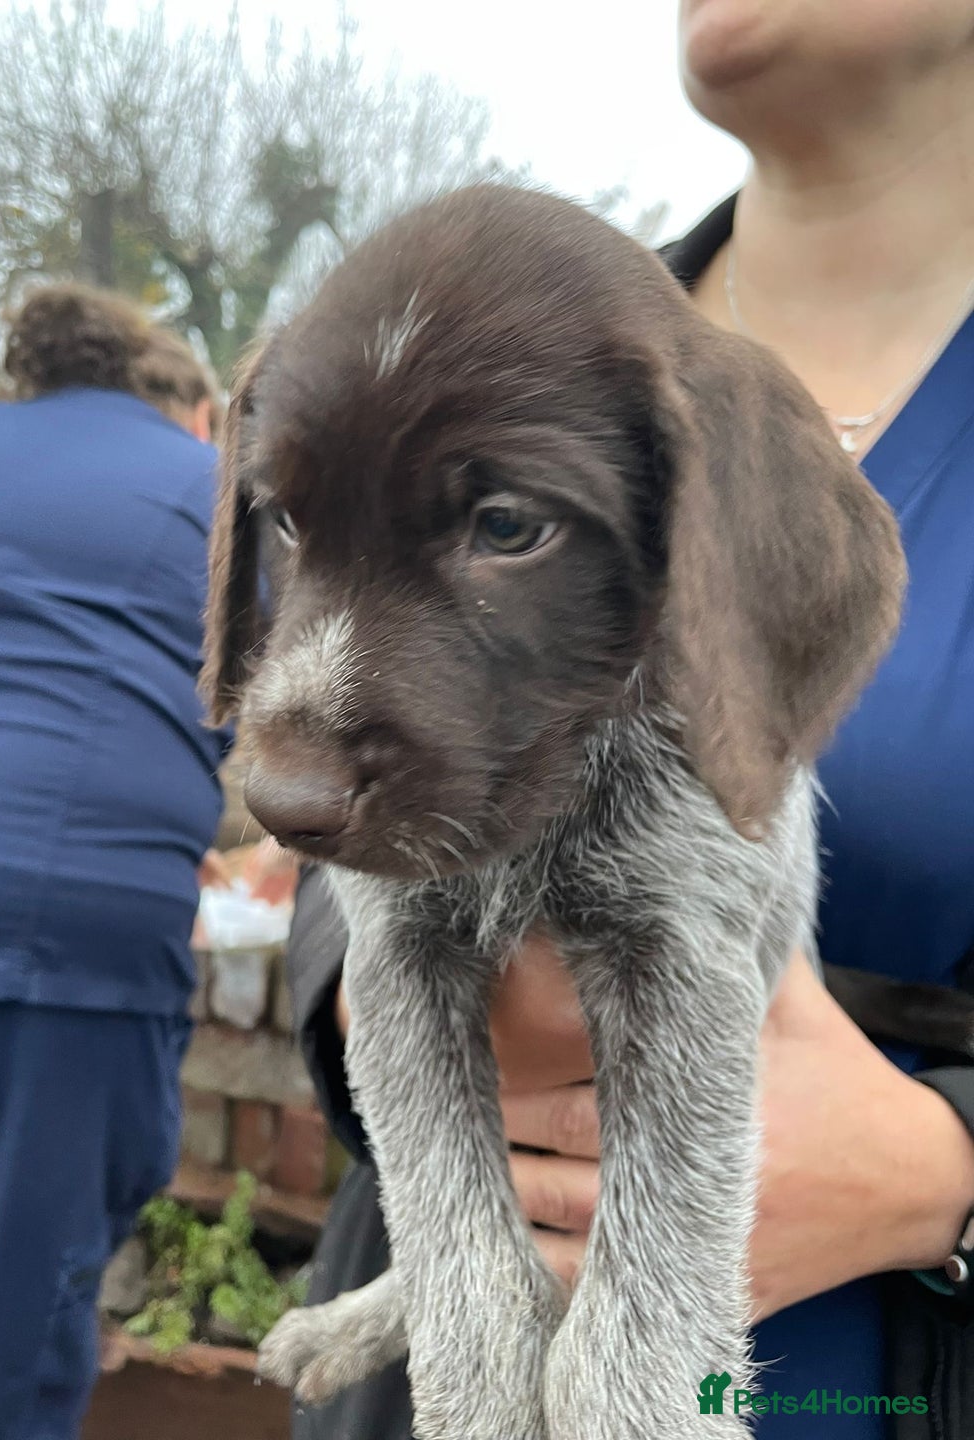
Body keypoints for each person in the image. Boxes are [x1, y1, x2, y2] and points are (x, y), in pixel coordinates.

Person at [280, 3, 974, 1436]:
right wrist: (364, 977)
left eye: (505, 524)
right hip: (464, 1304)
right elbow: (336, 762)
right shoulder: (498, 324)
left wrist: (948, 1169)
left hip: (875, 1367)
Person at [0, 284, 228, 1440]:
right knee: (5, 1347)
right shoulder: (208, 490)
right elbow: (303, 719)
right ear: (195, 411)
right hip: (35, 953)